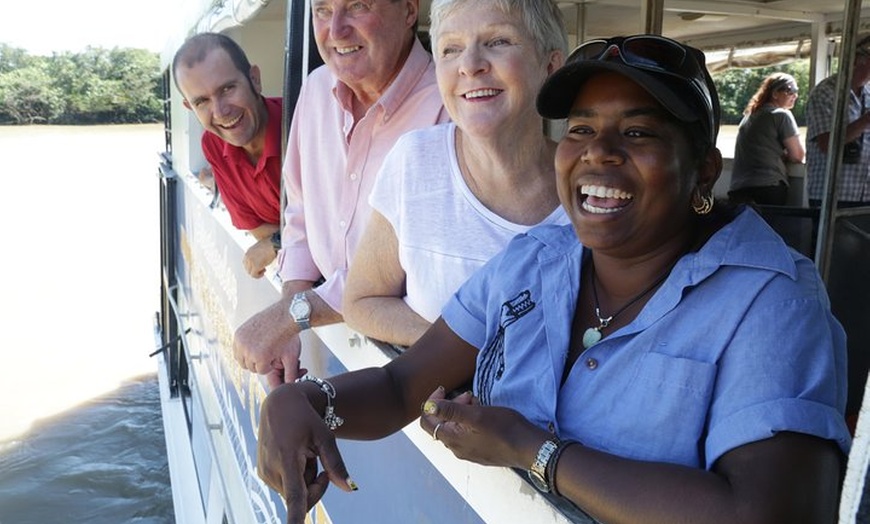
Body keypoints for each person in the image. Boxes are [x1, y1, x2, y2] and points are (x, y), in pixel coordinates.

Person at [256, 34, 850, 524]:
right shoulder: (537, 257)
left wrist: (531, 449)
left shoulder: (773, 302)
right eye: (582, 130)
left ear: (703, 171)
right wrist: (309, 401)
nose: (599, 153)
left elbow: (768, 514)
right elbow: (399, 388)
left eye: (638, 133)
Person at [232, 0, 449, 386]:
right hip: (337, 348)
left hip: (411, 372)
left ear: (410, 10)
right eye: (322, 10)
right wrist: (292, 308)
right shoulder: (315, 89)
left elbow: (416, 267)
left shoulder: (449, 108)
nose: (335, 30)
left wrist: (294, 314)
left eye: (358, 6)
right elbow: (299, 212)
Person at [342, 0, 569, 348]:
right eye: (451, 49)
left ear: (551, 67)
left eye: (498, 42)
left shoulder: (591, 188)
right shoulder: (414, 162)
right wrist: (468, 353)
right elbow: (361, 302)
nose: (470, 65)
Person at [173, 32, 283, 279]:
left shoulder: (303, 124)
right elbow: (258, 231)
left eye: (227, 89)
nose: (221, 112)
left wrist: (276, 242)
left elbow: (340, 226)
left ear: (254, 79)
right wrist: (281, 239)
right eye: (202, 102)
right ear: (190, 108)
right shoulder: (213, 144)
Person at [806, 33, 870, 207]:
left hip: (865, 195)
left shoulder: (868, 94)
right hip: (834, 195)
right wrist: (865, 121)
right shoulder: (826, 93)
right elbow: (827, 143)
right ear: (857, 60)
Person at [728, 72, 805, 205]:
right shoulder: (781, 115)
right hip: (768, 188)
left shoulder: (748, 117)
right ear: (775, 93)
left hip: (738, 190)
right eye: (790, 90)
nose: (795, 95)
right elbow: (798, 156)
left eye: (796, 91)